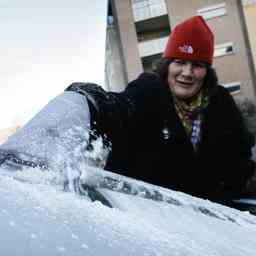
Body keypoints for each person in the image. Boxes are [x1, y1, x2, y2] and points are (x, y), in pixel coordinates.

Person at [66, 16, 255, 207]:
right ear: (167, 66)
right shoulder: (148, 90)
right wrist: (87, 101)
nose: (187, 73)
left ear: (207, 72)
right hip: (147, 214)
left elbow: (241, 156)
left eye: (197, 65)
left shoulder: (220, 101)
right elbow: (115, 109)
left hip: (207, 220)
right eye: (180, 62)